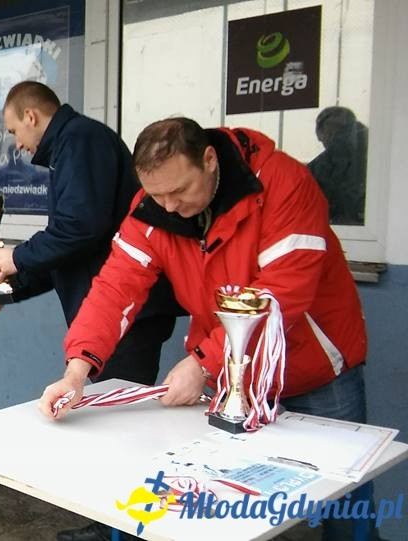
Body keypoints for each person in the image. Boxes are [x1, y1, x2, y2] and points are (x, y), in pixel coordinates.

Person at [39, 117, 373, 540]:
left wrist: (202, 363)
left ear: (210, 160)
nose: (169, 206)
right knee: (225, 506)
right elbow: (114, 287)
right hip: (229, 378)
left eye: (179, 191)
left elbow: (281, 291)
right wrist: (77, 370)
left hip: (315, 369)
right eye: (157, 195)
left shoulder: (284, 182)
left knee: (345, 507)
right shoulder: (153, 205)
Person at [0, 82, 180, 387]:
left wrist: (18, 256)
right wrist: (8, 291)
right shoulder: (68, 146)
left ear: (30, 116)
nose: (17, 144)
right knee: (112, 414)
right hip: (110, 315)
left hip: (125, 312)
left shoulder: (80, 139)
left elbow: (79, 228)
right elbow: (69, 250)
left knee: (117, 417)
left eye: (13, 131)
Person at [308, 106, 368, 226]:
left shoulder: (328, 160)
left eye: (321, 135)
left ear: (327, 130)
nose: (321, 141)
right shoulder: (379, 146)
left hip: (346, 225)